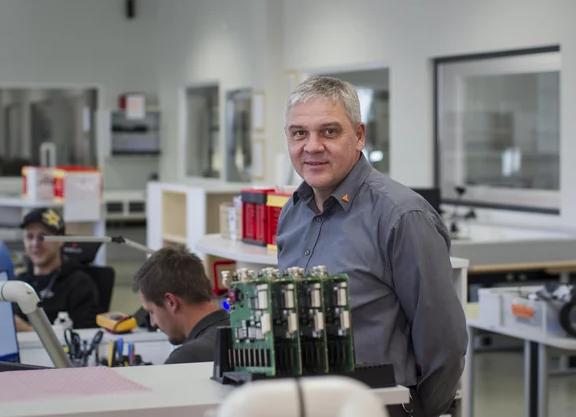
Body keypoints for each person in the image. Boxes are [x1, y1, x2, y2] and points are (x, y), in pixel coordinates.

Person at [276, 76, 468, 417]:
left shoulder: (401, 216)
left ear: (360, 135)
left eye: (329, 131)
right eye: (299, 133)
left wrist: (416, 412)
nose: (312, 146)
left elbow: (445, 343)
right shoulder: (293, 213)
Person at [133, 246, 229, 364]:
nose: (152, 323)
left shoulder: (186, 358)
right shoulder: (242, 335)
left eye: (152, 312)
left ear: (171, 302)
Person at [13, 207, 102, 332]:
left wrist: (28, 330)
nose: (35, 244)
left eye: (43, 237)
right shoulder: (19, 283)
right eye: (29, 236)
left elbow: (84, 338)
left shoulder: (79, 284)